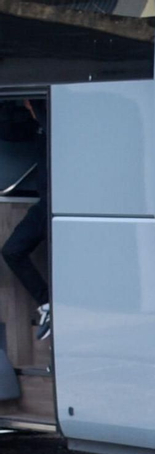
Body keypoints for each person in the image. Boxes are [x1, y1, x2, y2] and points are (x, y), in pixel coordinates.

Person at [1, 99, 50, 341]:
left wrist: (37, 108)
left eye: (29, 103)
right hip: (46, 205)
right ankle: (48, 302)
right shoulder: (38, 127)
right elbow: (9, 131)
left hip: (63, 203)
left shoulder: (56, 123)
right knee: (12, 250)